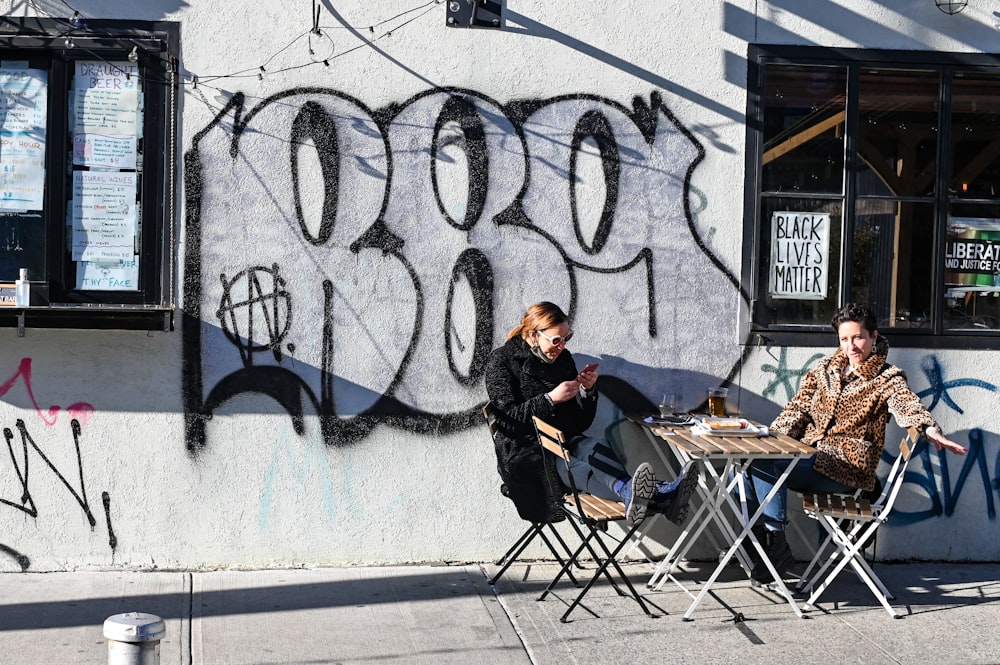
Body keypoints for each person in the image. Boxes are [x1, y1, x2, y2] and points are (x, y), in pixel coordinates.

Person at [744, 303, 968, 584]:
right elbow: (796, 409)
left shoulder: (887, 377)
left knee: (761, 466)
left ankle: (776, 544)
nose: (852, 346)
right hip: (811, 458)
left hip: (847, 470)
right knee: (743, 468)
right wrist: (772, 439)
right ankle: (758, 545)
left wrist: (928, 429)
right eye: (844, 339)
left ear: (874, 337)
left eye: (858, 337)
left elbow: (905, 403)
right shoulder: (824, 369)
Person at [485, 301, 698, 526]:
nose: (561, 347)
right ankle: (662, 497)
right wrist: (550, 399)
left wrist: (587, 392)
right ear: (533, 335)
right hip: (526, 458)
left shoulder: (563, 360)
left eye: (566, 338)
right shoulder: (502, 361)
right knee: (578, 468)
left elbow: (580, 424)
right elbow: (508, 423)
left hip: (564, 442)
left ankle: (633, 493)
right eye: (556, 340)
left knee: (596, 446)